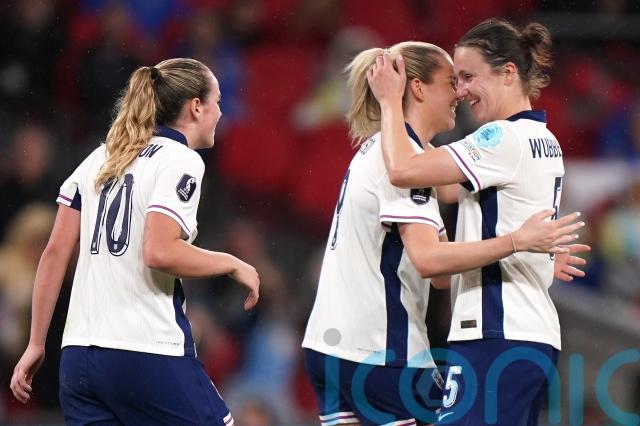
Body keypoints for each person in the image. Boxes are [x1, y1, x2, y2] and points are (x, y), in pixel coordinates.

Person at [302, 41, 584, 426]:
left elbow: (440, 275)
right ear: (418, 88)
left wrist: (531, 256)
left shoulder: (381, 150)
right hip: (380, 349)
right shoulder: (404, 164)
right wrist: (516, 243)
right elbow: (429, 261)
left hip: (326, 344)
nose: (459, 93)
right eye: (452, 81)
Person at [9, 58, 260, 426]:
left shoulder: (99, 157)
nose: (221, 112)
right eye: (217, 101)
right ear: (195, 107)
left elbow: (55, 252)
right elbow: (159, 251)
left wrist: (36, 343)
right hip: (145, 349)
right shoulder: (181, 160)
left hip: (78, 358)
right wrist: (233, 263)